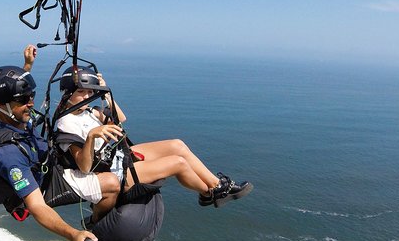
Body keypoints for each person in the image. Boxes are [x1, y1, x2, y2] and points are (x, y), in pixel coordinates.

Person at [55, 66, 253, 218]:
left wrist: (105, 94)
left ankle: (217, 186)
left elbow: (120, 118)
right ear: (68, 92)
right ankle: (209, 193)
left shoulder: (90, 111)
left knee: (177, 145)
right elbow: (84, 165)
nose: (87, 97)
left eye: (90, 92)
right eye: (82, 92)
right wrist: (92, 136)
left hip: (120, 156)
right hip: (109, 172)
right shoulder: (66, 123)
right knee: (178, 163)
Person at [0, 46, 117, 241]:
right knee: (111, 183)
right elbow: (36, 206)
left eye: (31, 96)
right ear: (3, 105)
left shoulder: (8, 114)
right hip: (46, 186)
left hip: (48, 161)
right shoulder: (7, 154)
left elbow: (8, 94)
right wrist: (74, 234)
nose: (30, 103)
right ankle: (96, 223)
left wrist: (27, 66)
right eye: (23, 99)